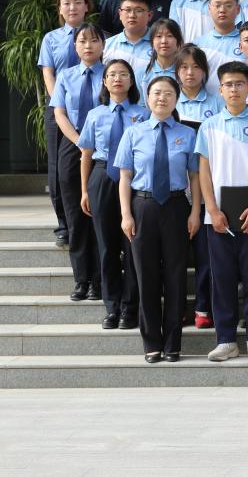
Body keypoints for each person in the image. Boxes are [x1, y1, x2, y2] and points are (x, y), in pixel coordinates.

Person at [196, 61, 248, 362]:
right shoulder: (209, 126)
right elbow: (203, 172)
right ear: (220, 90)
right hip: (218, 217)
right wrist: (212, 209)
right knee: (223, 279)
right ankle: (226, 340)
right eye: (228, 84)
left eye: (239, 84)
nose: (234, 89)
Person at [115, 76, 200, 363]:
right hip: (143, 206)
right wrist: (126, 214)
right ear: (147, 98)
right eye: (156, 93)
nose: (162, 98)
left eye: (168, 94)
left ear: (176, 99)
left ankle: (173, 344)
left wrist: (195, 212)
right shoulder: (133, 133)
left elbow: (195, 177)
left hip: (176, 207)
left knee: (176, 277)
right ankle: (151, 342)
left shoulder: (188, 134)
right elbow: (125, 177)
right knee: (146, 276)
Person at [78, 58, 148, 329]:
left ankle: (130, 307)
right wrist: (85, 190)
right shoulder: (95, 115)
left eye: (123, 74)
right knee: (106, 246)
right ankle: (112, 307)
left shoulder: (143, 114)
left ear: (131, 81)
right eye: (112, 75)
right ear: (105, 82)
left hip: (135, 178)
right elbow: (85, 155)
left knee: (132, 245)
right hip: (102, 176)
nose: (117, 78)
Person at [51, 22, 105, 302]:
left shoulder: (111, 73)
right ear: (75, 46)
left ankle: (99, 280)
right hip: (73, 145)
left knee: (99, 213)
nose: (88, 46)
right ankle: (82, 279)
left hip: (104, 147)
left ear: (102, 45)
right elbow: (59, 113)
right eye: (83, 41)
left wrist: (94, 143)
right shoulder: (66, 75)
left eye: (94, 40)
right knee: (75, 213)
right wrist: (79, 141)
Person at [174, 44, 223, 329]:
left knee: (207, 254)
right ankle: (178, 307)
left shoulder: (217, 103)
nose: (189, 73)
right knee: (176, 256)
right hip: (176, 191)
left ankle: (204, 306)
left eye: (195, 67)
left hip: (207, 190)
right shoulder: (170, 101)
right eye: (183, 67)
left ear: (205, 71)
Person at [39, 0, 89, 249]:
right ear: (59, 9)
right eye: (67, 3)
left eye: (77, 2)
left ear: (86, 6)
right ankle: (64, 226)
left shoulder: (97, 36)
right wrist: (61, 102)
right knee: (59, 170)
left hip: (91, 110)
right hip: (59, 110)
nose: (72, 7)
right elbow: (48, 73)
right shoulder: (51, 39)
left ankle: (89, 221)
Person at [194, 0, 244, 78]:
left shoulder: (247, 43)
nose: (222, 10)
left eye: (228, 6)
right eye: (217, 5)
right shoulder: (198, 45)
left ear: (237, 9)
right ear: (209, 8)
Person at [103, 0, 153, 73]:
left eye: (138, 10)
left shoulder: (160, 45)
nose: (132, 15)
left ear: (149, 15)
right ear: (120, 14)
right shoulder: (106, 46)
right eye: (127, 10)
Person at [136, 18, 182, 95]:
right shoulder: (141, 74)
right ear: (152, 42)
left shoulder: (185, 73)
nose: (164, 41)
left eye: (169, 36)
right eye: (159, 36)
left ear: (178, 42)